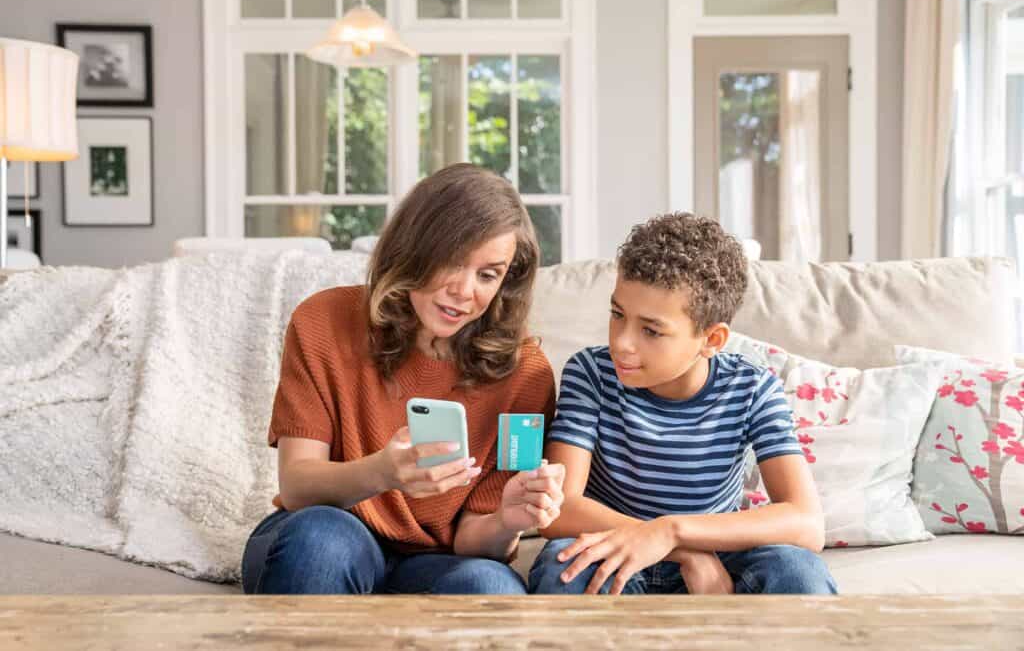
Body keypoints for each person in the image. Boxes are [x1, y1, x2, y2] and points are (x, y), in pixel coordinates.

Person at [242, 163, 566, 595]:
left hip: (435, 560)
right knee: (323, 541)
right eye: (453, 260)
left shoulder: (526, 373)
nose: (464, 291)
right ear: (414, 248)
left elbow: (474, 540)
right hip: (322, 528)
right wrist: (381, 472)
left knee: (490, 586)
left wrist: (508, 520)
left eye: (487, 275)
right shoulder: (322, 321)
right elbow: (298, 487)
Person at [528, 213, 837, 595]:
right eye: (617, 315)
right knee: (565, 569)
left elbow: (806, 522)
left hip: (716, 553)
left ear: (712, 339)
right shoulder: (591, 373)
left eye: (651, 330)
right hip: (614, 545)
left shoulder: (753, 389)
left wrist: (671, 532)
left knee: (799, 573)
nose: (622, 343)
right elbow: (559, 508)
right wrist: (682, 552)